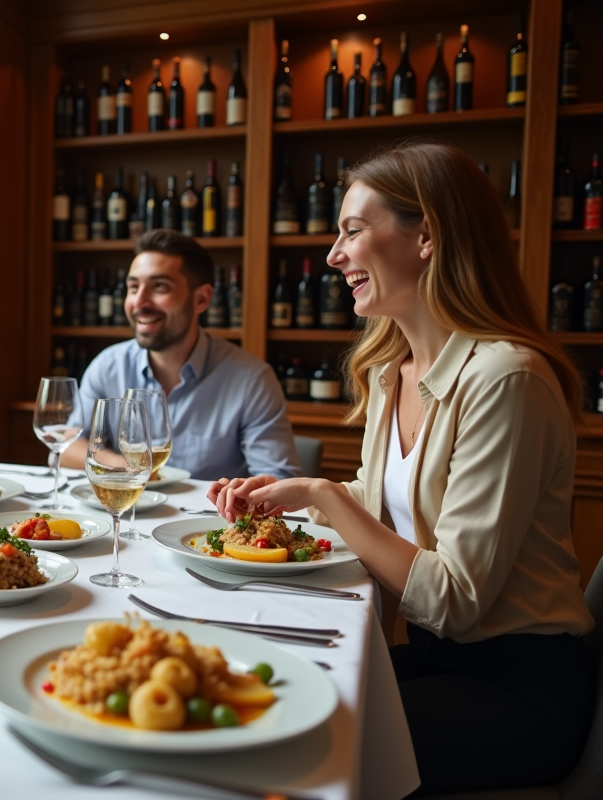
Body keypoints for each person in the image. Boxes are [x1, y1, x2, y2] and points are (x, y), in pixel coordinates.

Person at [209, 143, 594, 795]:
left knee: (290, 739)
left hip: (518, 688)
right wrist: (283, 499)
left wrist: (323, 494)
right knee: (258, 690)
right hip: (443, 661)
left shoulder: (506, 380)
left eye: (353, 231)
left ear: (426, 236)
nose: (334, 255)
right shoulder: (392, 371)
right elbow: (385, 500)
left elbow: (455, 602)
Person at [62, 229, 300, 480]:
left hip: (209, 517)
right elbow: (66, 447)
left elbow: (280, 478)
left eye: (159, 287)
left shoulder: (252, 379)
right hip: (127, 511)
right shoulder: (108, 366)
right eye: (133, 287)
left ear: (201, 299)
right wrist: (130, 469)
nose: (139, 301)